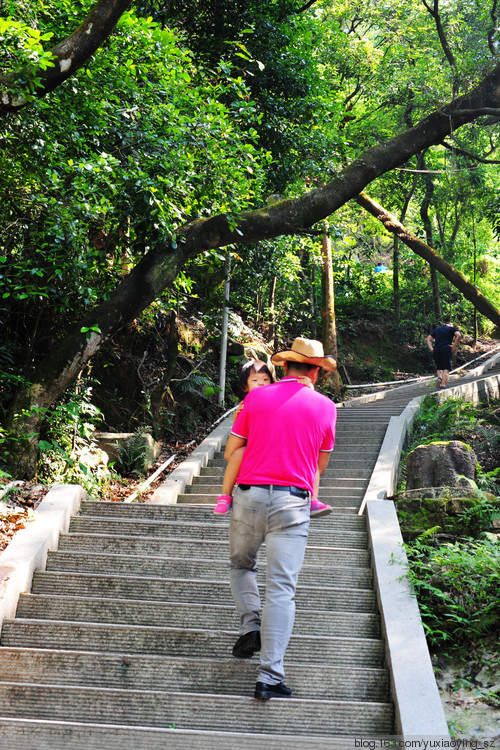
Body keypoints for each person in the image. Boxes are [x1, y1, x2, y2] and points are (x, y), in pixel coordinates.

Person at [224, 337, 337, 700]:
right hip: (293, 502)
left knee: (242, 566)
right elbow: (319, 465)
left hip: (249, 496)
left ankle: (251, 625)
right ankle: (270, 677)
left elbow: (232, 451)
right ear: (316, 372)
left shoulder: (254, 398)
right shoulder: (326, 407)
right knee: (282, 590)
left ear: (284, 367)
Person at [214, 360, 332, 518]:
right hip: (257, 448)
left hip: (265, 457)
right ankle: (225, 496)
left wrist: (309, 390)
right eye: (255, 381)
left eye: (265, 380)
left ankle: (313, 500)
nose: (261, 384)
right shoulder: (250, 401)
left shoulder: (267, 397)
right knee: (237, 455)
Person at [426, 321, 461, 389]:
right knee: (446, 368)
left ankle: (439, 377)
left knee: (439, 367)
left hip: (436, 349)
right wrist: (453, 346)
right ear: (451, 324)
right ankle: (443, 385)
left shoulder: (437, 329)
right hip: (446, 348)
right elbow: (459, 335)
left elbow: (428, 339)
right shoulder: (452, 328)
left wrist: (432, 349)